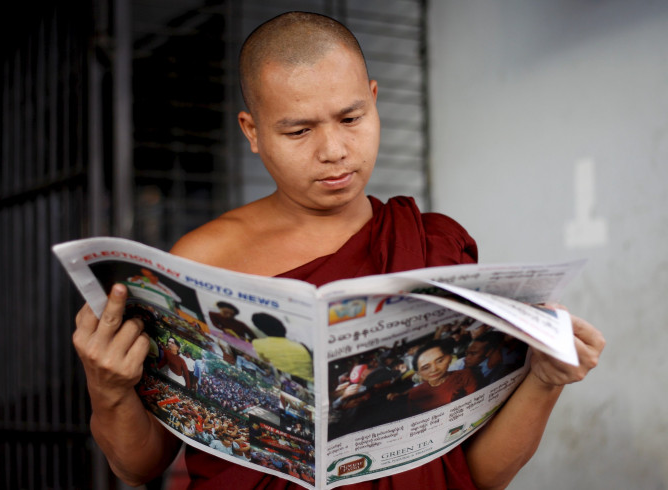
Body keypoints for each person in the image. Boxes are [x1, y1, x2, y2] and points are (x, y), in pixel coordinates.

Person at [72, 11, 605, 489]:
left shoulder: (434, 244)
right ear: (252, 132)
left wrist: (544, 379)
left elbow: (479, 474)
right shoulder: (203, 258)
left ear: (374, 100)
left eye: (351, 119)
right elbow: (138, 466)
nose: (334, 151)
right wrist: (110, 387)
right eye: (298, 130)